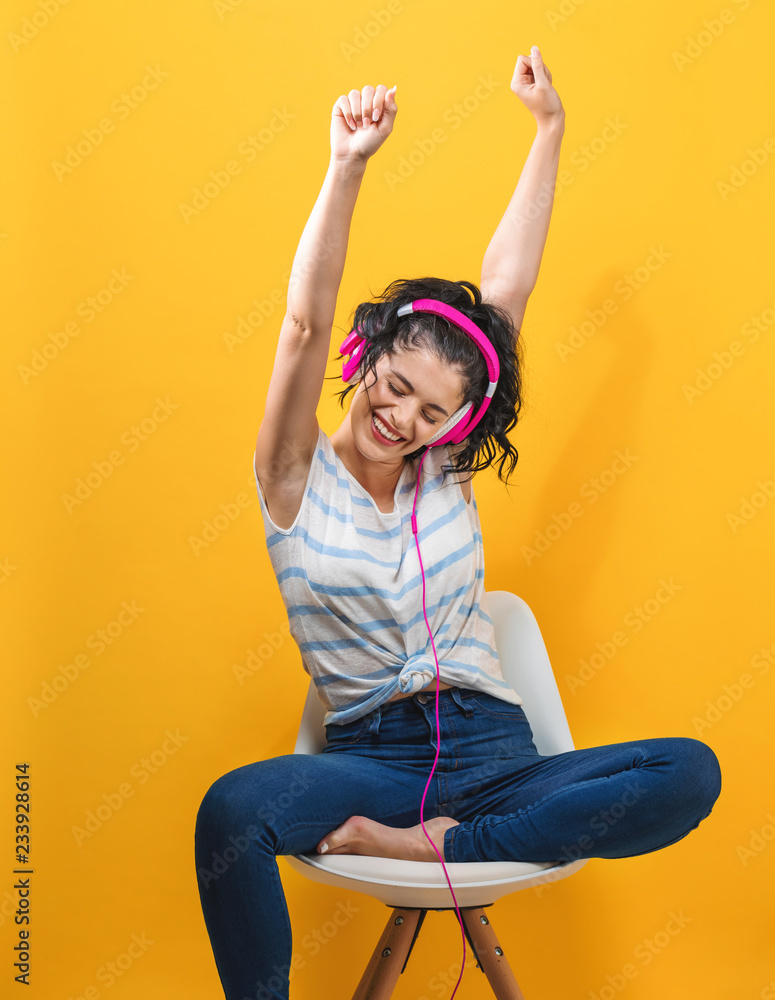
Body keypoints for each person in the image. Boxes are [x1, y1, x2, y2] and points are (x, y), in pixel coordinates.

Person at [195, 48, 722, 1000]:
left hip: (496, 755)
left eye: (432, 411)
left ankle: (444, 847)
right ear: (366, 364)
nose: (401, 418)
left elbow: (505, 298)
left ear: (457, 425)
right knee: (231, 811)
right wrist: (347, 164)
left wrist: (548, 130)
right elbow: (302, 327)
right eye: (393, 386)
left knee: (688, 772)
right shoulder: (292, 474)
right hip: (374, 763)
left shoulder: (444, 473)